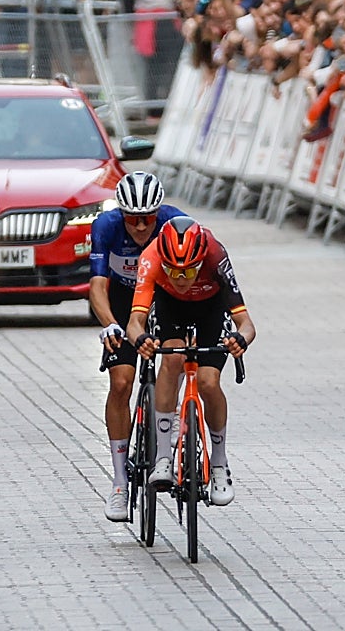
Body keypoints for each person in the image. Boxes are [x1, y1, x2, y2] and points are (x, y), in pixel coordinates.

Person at [126, 216, 256, 507]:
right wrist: (141, 339)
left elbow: (246, 324)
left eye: (188, 271)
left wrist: (240, 340)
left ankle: (219, 464)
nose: (180, 279)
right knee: (172, 360)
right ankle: (163, 457)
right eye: (172, 271)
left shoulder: (216, 256)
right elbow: (135, 322)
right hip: (170, 307)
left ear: (201, 261)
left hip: (211, 308)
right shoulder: (150, 258)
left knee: (209, 382)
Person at [89, 172, 184, 521]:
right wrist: (109, 323)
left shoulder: (176, 223)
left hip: (164, 299)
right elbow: (97, 286)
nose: (142, 226)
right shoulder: (105, 226)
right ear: (122, 214)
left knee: (175, 359)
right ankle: (119, 482)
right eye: (133, 218)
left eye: (148, 218)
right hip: (122, 299)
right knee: (121, 382)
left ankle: (168, 421)